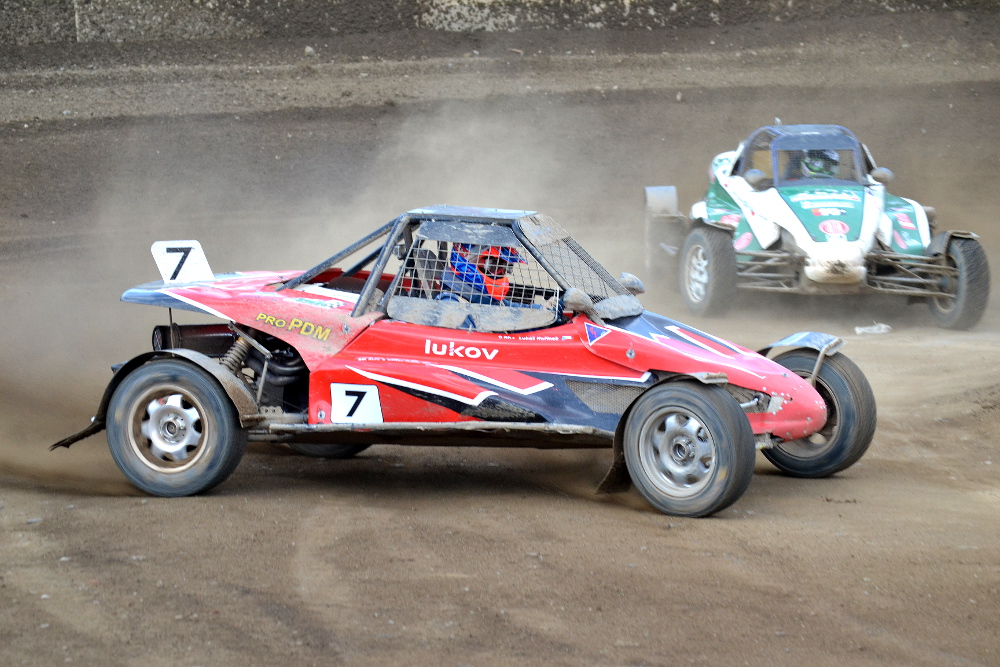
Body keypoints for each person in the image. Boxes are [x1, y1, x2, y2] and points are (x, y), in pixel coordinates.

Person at [440, 244, 525, 306]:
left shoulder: (492, 301)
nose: (500, 273)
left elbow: (521, 310)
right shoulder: (451, 303)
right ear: (470, 262)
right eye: (494, 267)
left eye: (503, 269)